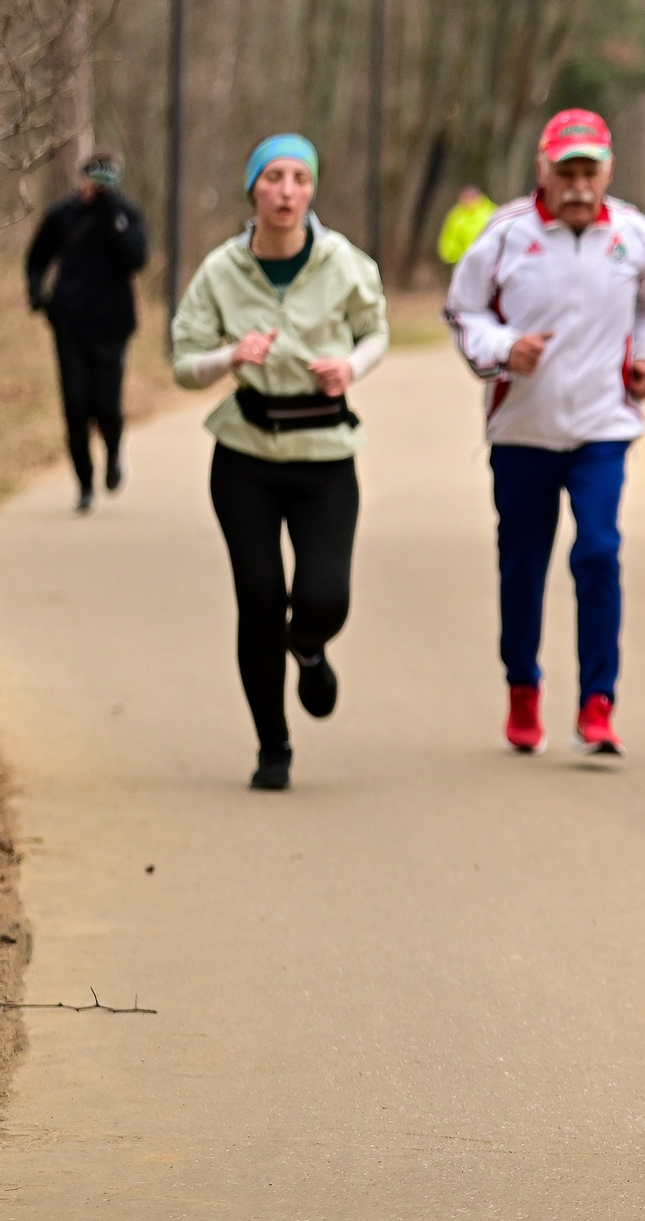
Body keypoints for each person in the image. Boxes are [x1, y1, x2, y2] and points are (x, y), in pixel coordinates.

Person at [448, 109, 645, 758]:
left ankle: (597, 702)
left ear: (607, 171)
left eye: (590, 171)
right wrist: (503, 348)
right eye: (566, 171)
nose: (579, 184)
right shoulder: (506, 233)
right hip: (522, 428)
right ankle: (523, 684)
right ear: (543, 171)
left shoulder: (633, 234)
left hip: (603, 427)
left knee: (599, 551)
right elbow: (462, 309)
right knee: (523, 564)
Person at [171, 135, 389, 792]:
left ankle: (310, 645)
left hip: (325, 454)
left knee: (324, 596)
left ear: (312, 189)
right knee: (259, 599)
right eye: (273, 177)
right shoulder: (220, 271)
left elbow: (375, 330)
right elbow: (183, 364)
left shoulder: (343, 262)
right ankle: (273, 744)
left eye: (299, 177)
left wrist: (351, 365)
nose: (287, 190)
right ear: (253, 192)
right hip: (245, 456)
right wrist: (230, 357)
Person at [26, 150, 149, 512]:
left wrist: (113, 214)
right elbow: (37, 258)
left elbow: (136, 259)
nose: (98, 186)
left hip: (112, 325)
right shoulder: (63, 215)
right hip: (70, 324)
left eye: (106, 179)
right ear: (82, 178)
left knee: (107, 406)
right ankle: (84, 485)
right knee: (76, 406)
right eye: (93, 178)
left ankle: (112, 454)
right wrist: (38, 294)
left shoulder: (126, 215)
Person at [437, 183, 496, 266]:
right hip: (464, 263)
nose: (468, 202)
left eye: (471, 197)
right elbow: (449, 239)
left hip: (488, 262)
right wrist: (453, 257)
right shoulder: (457, 215)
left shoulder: (492, 213)